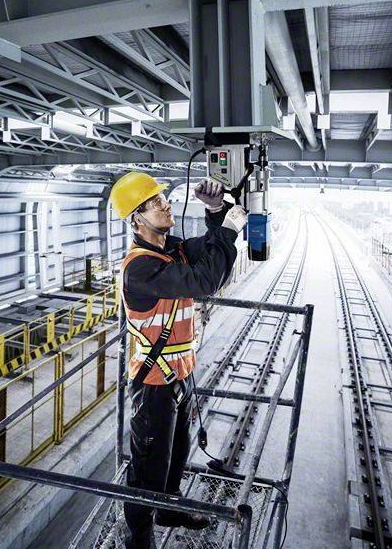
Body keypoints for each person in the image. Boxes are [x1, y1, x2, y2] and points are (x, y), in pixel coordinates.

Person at [110, 172, 247, 549]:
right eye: (155, 202)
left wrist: (218, 211)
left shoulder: (172, 250)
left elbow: (210, 248)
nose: (166, 205)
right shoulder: (140, 267)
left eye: (162, 199)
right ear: (136, 218)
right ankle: (139, 537)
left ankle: (168, 509)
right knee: (148, 468)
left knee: (178, 453)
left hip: (180, 375)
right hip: (154, 382)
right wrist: (231, 231)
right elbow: (206, 281)